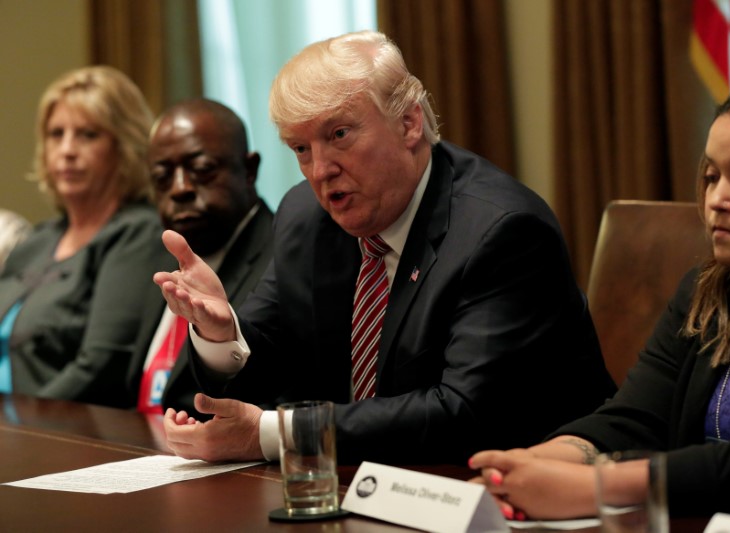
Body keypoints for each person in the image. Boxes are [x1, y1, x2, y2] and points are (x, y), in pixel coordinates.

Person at [156, 30, 616, 465]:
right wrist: (220, 334)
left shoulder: (502, 232)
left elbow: (464, 414)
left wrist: (274, 435)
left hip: (518, 493)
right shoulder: (307, 217)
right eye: (300, 148)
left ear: (409, 122)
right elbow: (269, 361)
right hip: (366, 484)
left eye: (338, 135)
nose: (320, 170)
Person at [469, 74, 730, 524]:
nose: (717, 200)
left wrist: (599, 486)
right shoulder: (706, 294)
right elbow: (635, 417)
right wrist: (529, 467)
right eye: (710, 176)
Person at [0, 66, 161, 406]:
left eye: (88, 134)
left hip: (58, 433)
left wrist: (19, 427)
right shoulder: (37, 240)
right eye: (57, 134)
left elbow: (102, 364)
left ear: (124, 145)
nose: (68, 150)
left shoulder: (138, 232)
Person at [125, 98, 275, 416]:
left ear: (249, 170)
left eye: (202, 170)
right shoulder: (157, 257)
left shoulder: (282, 254)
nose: (180, 188)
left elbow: (270, 388)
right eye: (163, 177)